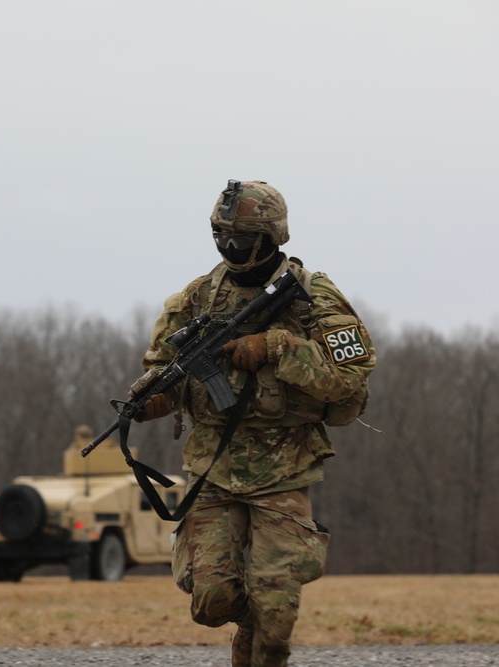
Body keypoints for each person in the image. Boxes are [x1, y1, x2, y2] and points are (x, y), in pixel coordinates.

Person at [133, 179, 377, 667]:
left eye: (239, 240)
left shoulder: (315, 298)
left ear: (270, 238)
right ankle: (248, 620)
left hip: (284, 469)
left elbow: (351, 384)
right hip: (212, 469)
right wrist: (153, 399)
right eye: (219, 237)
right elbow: (162, 370)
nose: (227, 248)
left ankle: (263, 631)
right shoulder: (195, 300)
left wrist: (278, 348)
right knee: (211, 600)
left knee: (277, 621)